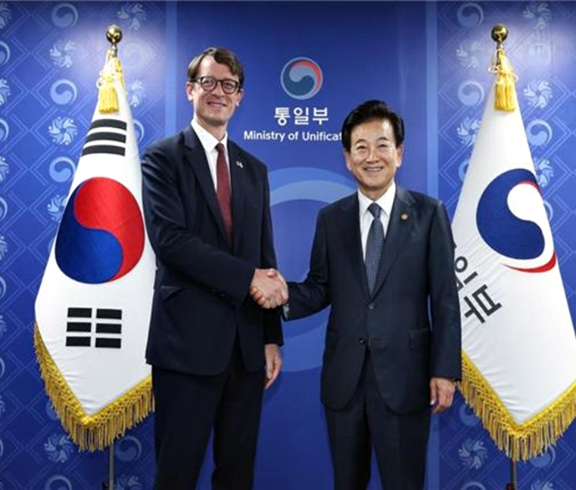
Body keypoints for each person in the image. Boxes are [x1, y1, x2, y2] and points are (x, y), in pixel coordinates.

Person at [259, 100, 461, 489]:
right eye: (361, 147)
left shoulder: (428, 213)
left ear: (399, 153)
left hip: (406, 379)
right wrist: (281, 295)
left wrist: (444, 370)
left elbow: (445, 299)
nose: (372, 157)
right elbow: (320, 287)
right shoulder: (331, 219)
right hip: (345, 381)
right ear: (347, 158)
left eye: (382, 145)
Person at [141, 46, 287, 490]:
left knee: (237, 475)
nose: (218, 92)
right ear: (191, 90)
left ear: (239, 97)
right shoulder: (162, 158)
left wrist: (270, 337)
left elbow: (264, 256)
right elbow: (171, 242)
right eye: (208, 82)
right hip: (186, 347)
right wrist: (247, 278)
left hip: (246, 350)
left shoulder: (254, 169)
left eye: (229, 85)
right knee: (177, 474)